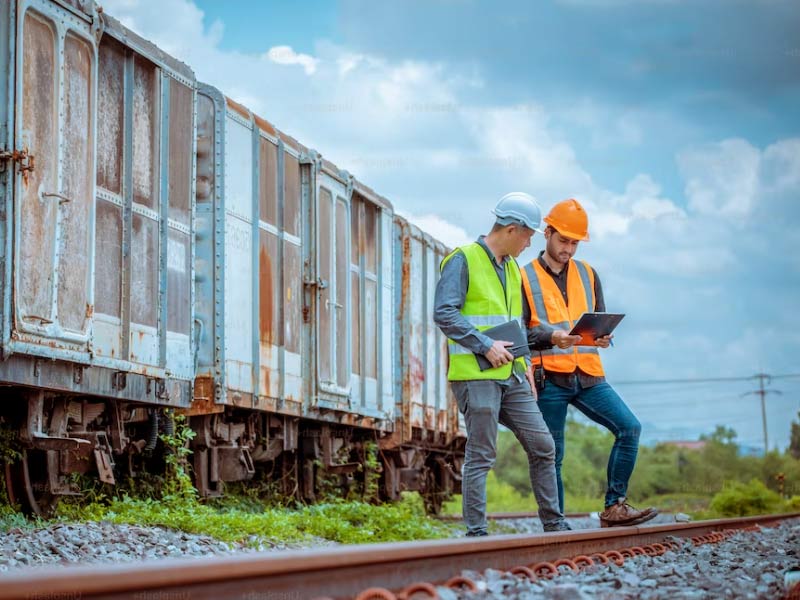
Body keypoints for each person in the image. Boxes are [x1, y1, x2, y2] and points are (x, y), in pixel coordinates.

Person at [434, 192, 569, 536]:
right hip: (475, 375)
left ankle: (554, 524)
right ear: (512, 229)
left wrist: (538, 350)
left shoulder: (511, 269)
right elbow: (444, 312)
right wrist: (484, 345)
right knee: (482, 453)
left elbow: (516, 324)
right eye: (528, 235)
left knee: (543, 445)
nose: (529, 244)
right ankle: (477, 533)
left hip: (513, 375)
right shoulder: (462, 259)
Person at [520, 198, 658, 527]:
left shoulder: (588, 274)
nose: (569, 248)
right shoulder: (523, 277)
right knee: (552, 454)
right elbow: (521, 333)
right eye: (563, 240)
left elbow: (596, 319)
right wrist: (552, 337)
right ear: (547, 233)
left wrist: (603, 338)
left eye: (574, 242)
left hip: (590, 375)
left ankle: (614, 506)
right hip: (549, 377)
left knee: (630, 428)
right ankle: (556, 525)